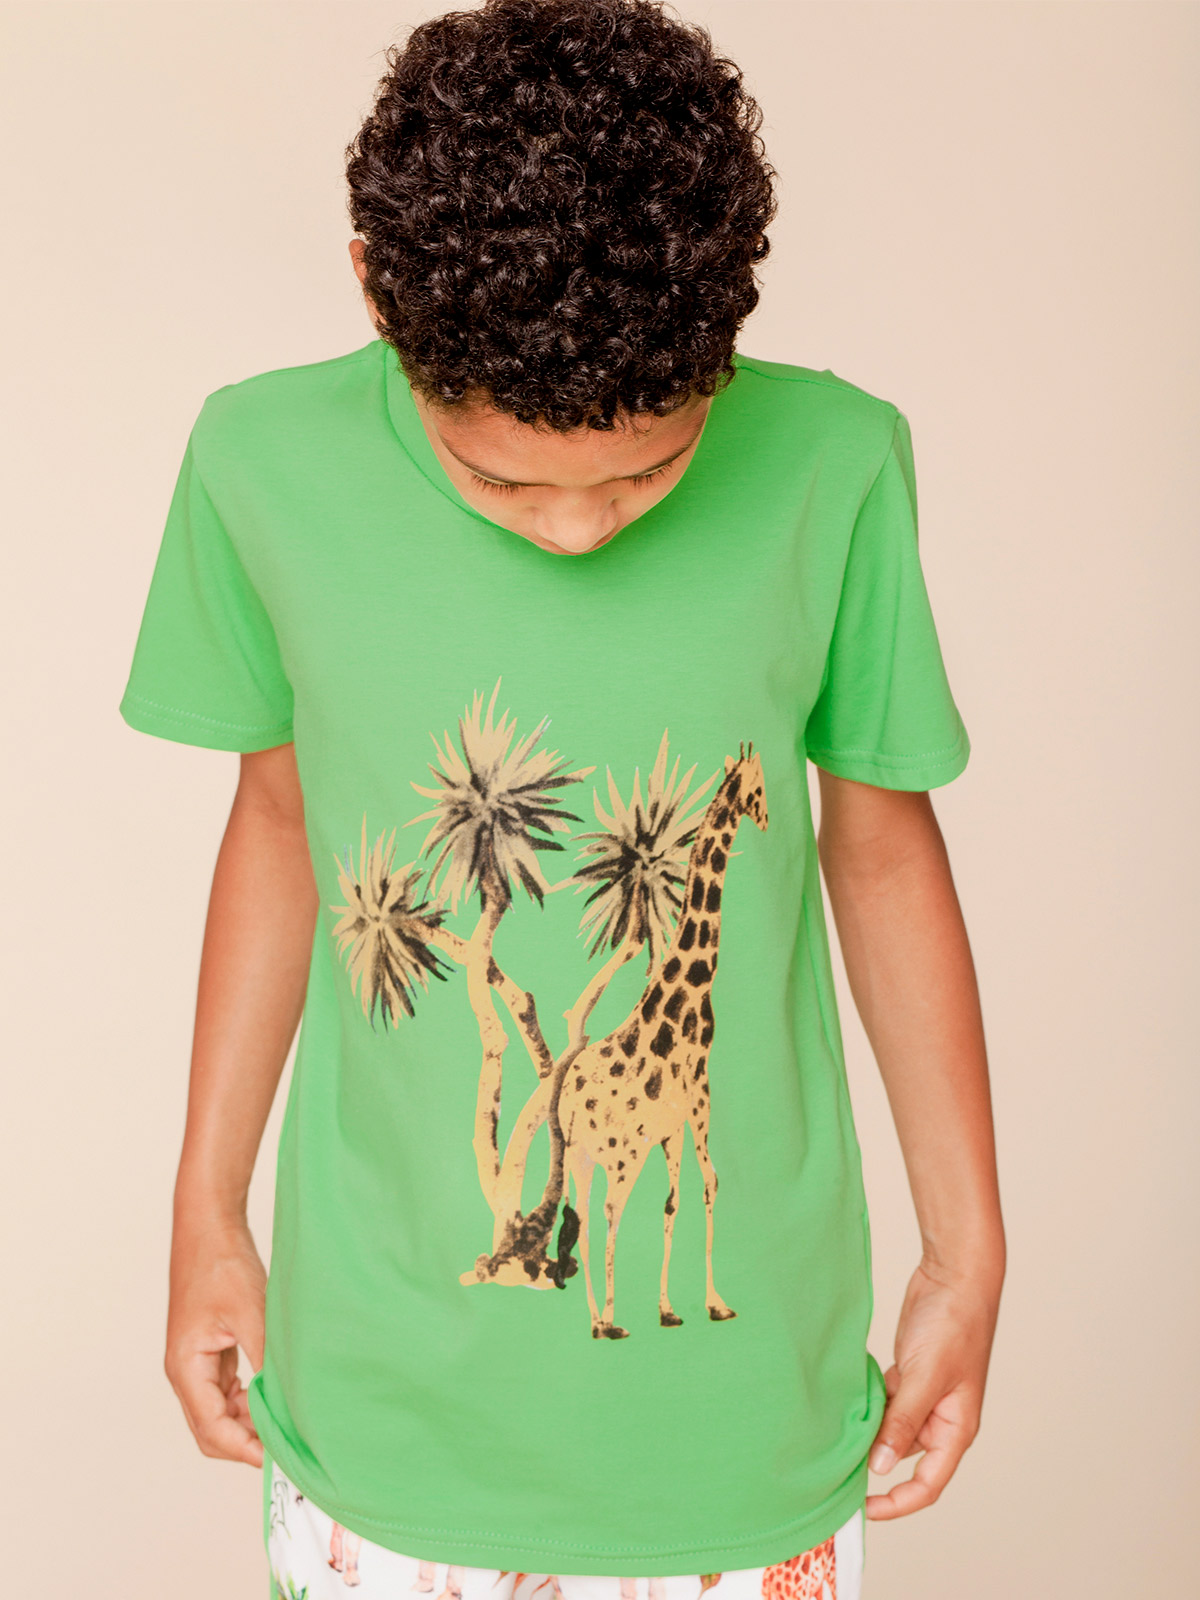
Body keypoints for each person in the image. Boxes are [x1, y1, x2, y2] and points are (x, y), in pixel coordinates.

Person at [119, 1, 1005, 1596]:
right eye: (503, 479)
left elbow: (879, 851)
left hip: (749, 1424)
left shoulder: (840, 462)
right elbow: (282, 823)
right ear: (376, 290)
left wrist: (966, 1244)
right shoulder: (258, 465)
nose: (584, 527)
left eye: (653, 470)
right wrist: (206, 1205)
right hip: (382, 1414)